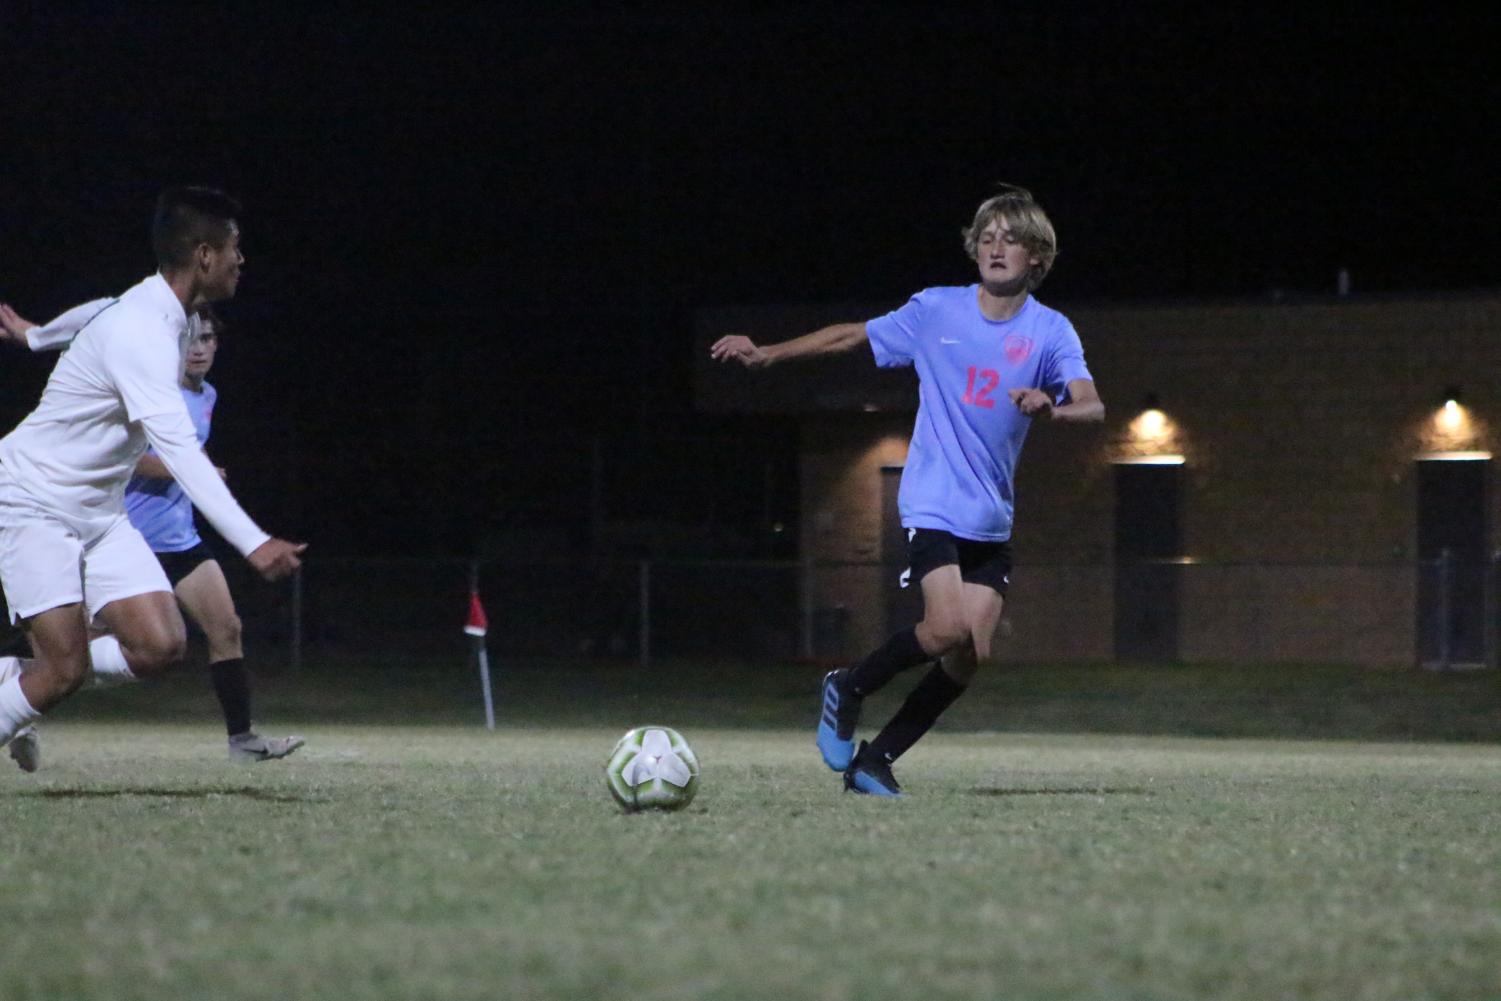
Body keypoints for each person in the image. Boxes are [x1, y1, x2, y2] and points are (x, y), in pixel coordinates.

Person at [710, 185, 1104, 795]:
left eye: (1011, 238)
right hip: (933, 501)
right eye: (987, 237)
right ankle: (849, 685)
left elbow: (1092, 405)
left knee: (969, 656)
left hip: (991, 518)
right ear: (975, 248)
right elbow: (851, 336)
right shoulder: (936, 310)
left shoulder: (1051, 331)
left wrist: (1051, 406)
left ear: (1037, 257)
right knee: (945, 628)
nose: (996, 247)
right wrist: (769, 354)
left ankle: (875, 760)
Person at [0, 186, 305, 767]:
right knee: (63, 671)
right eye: (235, 247)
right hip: (31, 500)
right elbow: (182, 453)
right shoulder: (145, 333)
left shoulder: (159, 310)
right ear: (204, 255)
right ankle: (28, 684)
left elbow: (97, 310)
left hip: (98, 513)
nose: (242, 259)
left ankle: (12, 677)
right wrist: (252, 540)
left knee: (161, 646)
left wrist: (37, 336)